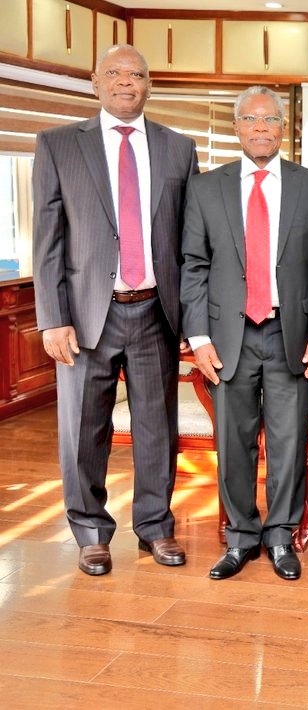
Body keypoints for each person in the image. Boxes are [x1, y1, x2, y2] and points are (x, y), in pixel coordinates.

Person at [32, 45, 198, 576]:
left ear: (149, 84)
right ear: (95, 82)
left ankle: (155, 527)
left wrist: (193, 319)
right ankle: (90, 533)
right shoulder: (58, 145)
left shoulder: (179, 148)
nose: (126, 82)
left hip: (155, 312)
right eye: (115, 73)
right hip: (84, 317)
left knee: (158, 428)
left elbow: (190, 242)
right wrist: (52, 317)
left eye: (136, 74)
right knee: (83, 431)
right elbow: (47, 241)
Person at [180, 86, 308, 582]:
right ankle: (240, 536)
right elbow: (194, 265)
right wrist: (199, 338)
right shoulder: (205, 188)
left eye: (270, 120)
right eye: (250, 119)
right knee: (233, 442)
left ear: (284, 128)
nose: (261, 128)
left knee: (289, 441)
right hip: (227, 338)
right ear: (236, 127)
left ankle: (281, 536)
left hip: (292, 334)